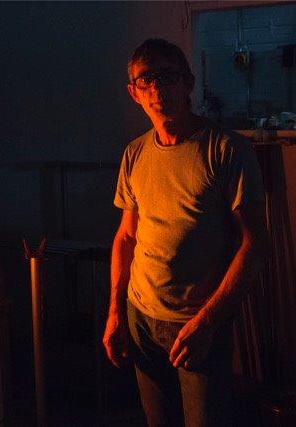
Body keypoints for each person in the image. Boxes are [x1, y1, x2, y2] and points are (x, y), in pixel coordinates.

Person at [102, 39, 266, 426]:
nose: (158, 89)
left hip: (196, 323)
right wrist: (115, 313)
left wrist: (207, 323)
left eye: (168, 76)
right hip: (140, 315)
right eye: (146, 80)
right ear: (134, 93)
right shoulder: (134, 154)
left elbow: (255, 244)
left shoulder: (227, 150)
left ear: (188, 82)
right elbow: (126, 237)